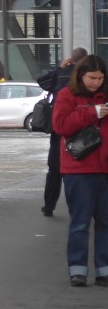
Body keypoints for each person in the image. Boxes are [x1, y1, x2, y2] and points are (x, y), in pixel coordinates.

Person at [50, 53, 108, 288]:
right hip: (79, 168)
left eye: (100, 78)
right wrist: (92, 113)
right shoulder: (67, 95)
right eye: (92, 78)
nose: (96, 82)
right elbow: (60, 125)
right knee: (81, 222)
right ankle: (78, 270)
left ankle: (104, 271)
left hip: (104, 168)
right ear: (81, 75)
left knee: (105, 222)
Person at [38, 47, 87, 217]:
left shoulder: (62, 73)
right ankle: (79, 208)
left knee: (55, 168)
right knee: (81, 168)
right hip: (81, 128)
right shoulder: (87, 76)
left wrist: (59, 68)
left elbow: (41, 82)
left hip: (58, 128)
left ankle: (49, 206)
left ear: (71, 60)